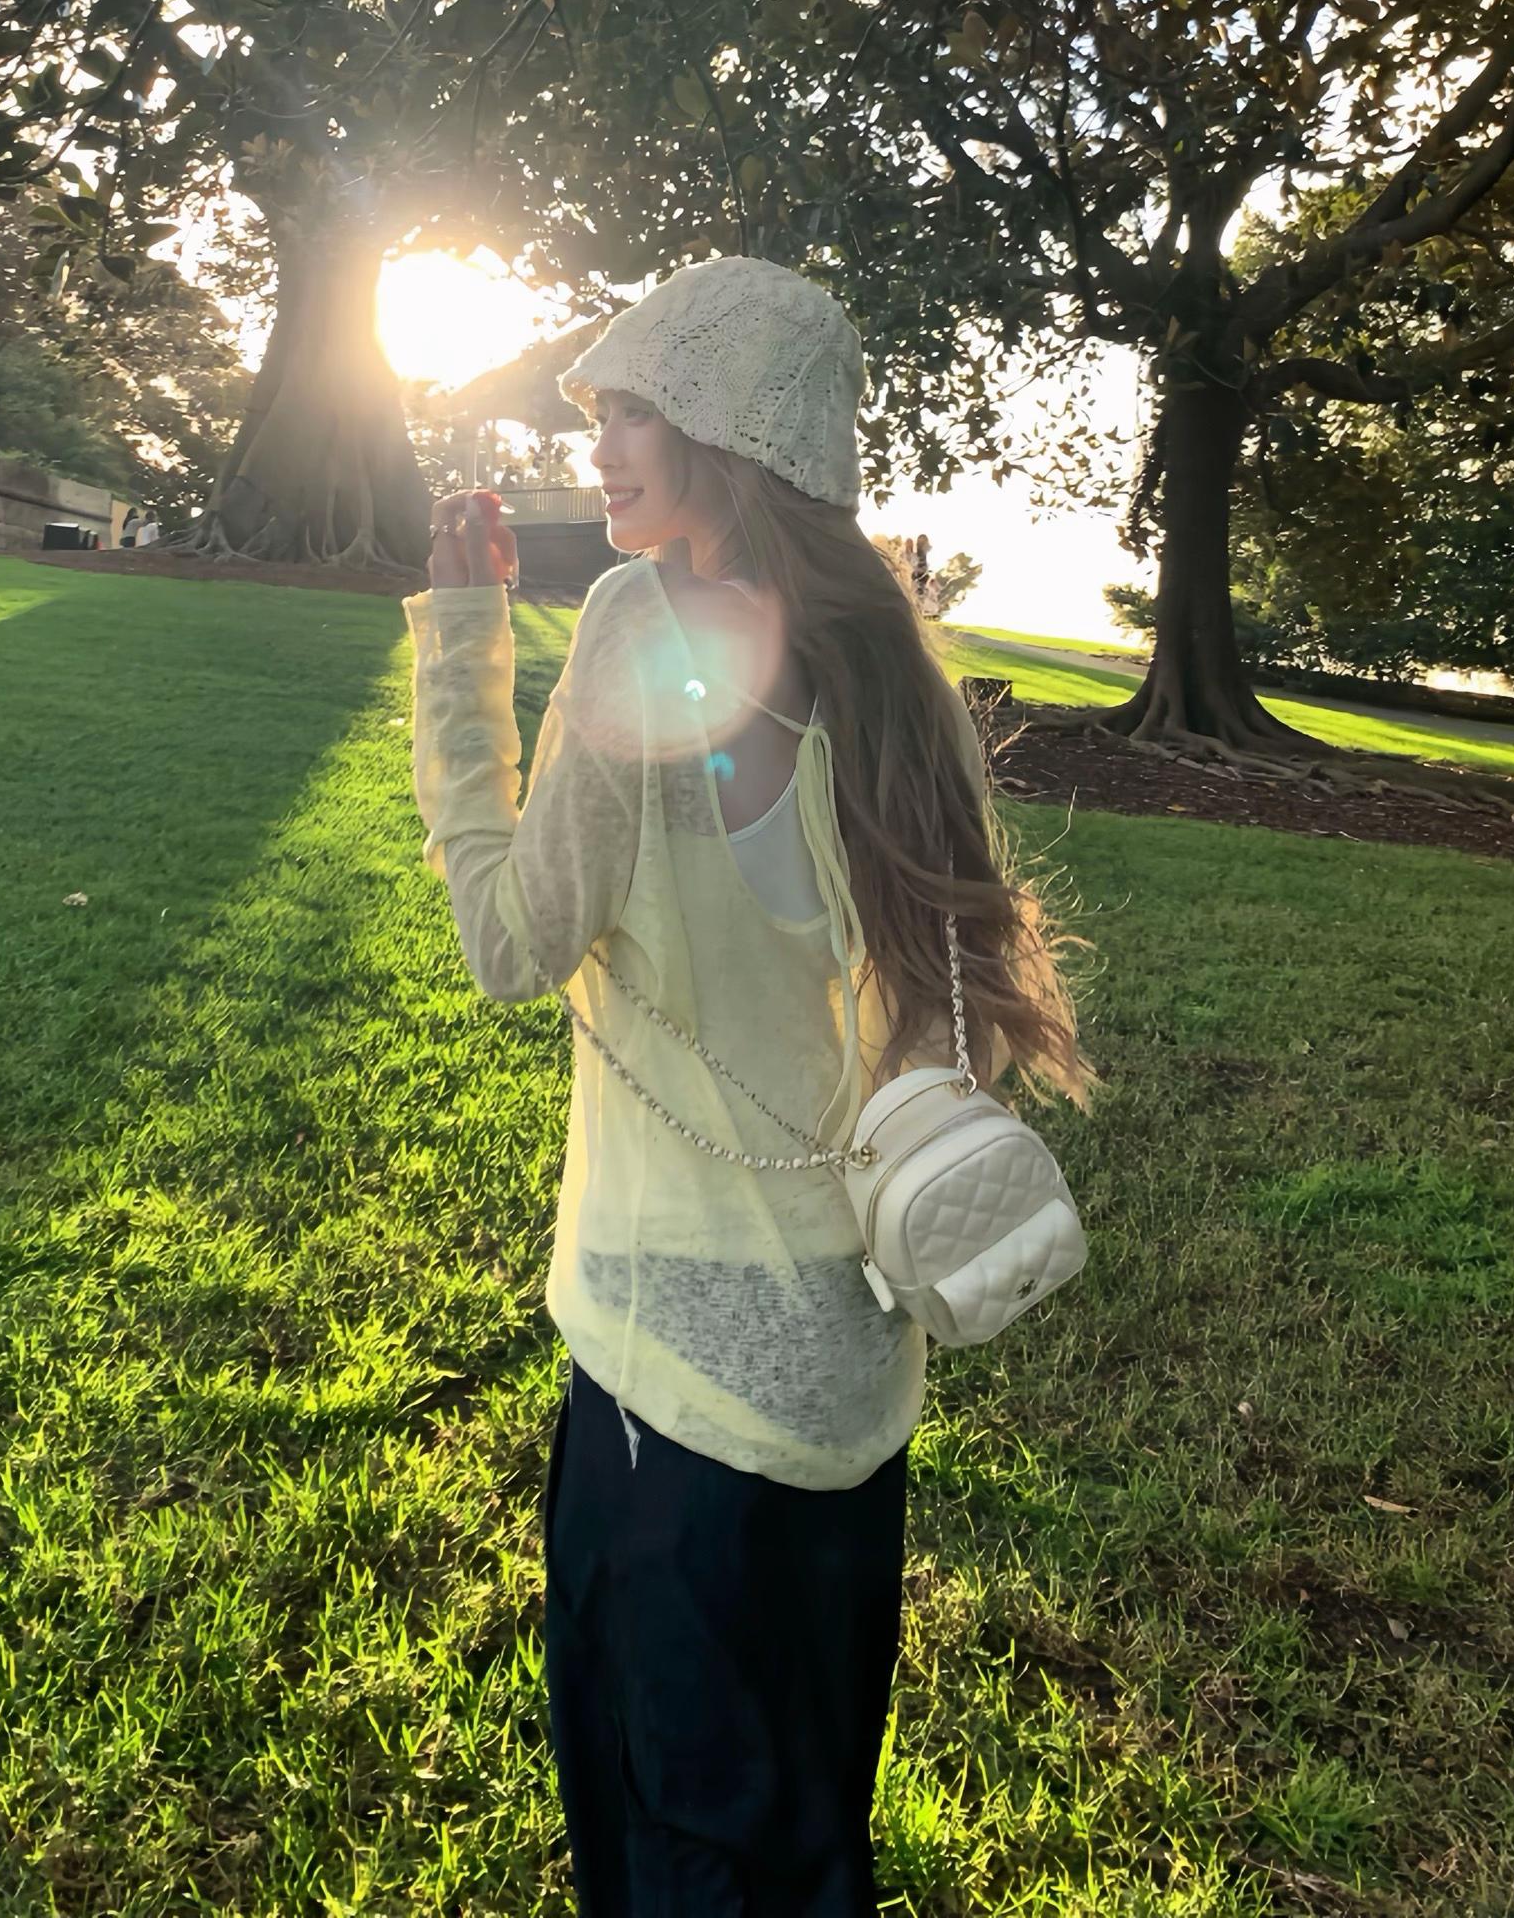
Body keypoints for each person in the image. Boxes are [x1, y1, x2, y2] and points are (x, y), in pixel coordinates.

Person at [405, 257, 1091, 1917]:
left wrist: (462, 646)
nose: (600, 445)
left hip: (672, 1400)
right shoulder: (897, 670)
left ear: (734, 434)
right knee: (802, 1840)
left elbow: (512, 943)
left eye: (639, 410)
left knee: (669, 1850)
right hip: (856, 1394)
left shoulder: (643, 625)